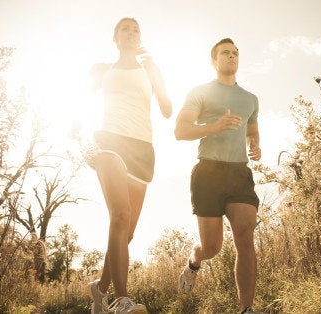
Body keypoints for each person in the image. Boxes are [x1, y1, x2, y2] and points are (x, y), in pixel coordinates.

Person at [86, 17, 172, 314]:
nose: (132, 32)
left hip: (142, 149)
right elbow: (80, 103)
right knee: (120, 215)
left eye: (136, 29)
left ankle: (100, 290)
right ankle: (121, 299)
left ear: (140, 38)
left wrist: (154, 75)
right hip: (109, 142)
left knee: (128, 231)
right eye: (126, 28)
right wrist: (81, 140)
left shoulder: (150, 69)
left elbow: (166, 109)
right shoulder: (101, 70)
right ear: (115, 37)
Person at [174, 38, 261, 314]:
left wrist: (255, 144)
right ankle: (195, 259)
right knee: (212, 247)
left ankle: (246, 309)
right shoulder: (200, 93)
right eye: (225, 53)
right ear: (214, 61)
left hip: (239, 172)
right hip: (208, 172)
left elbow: (251, 130)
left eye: (235, 52)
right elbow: (181, 131)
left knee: (245, 236)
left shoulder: (250, 99)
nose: (232, 56)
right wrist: (214, 126)